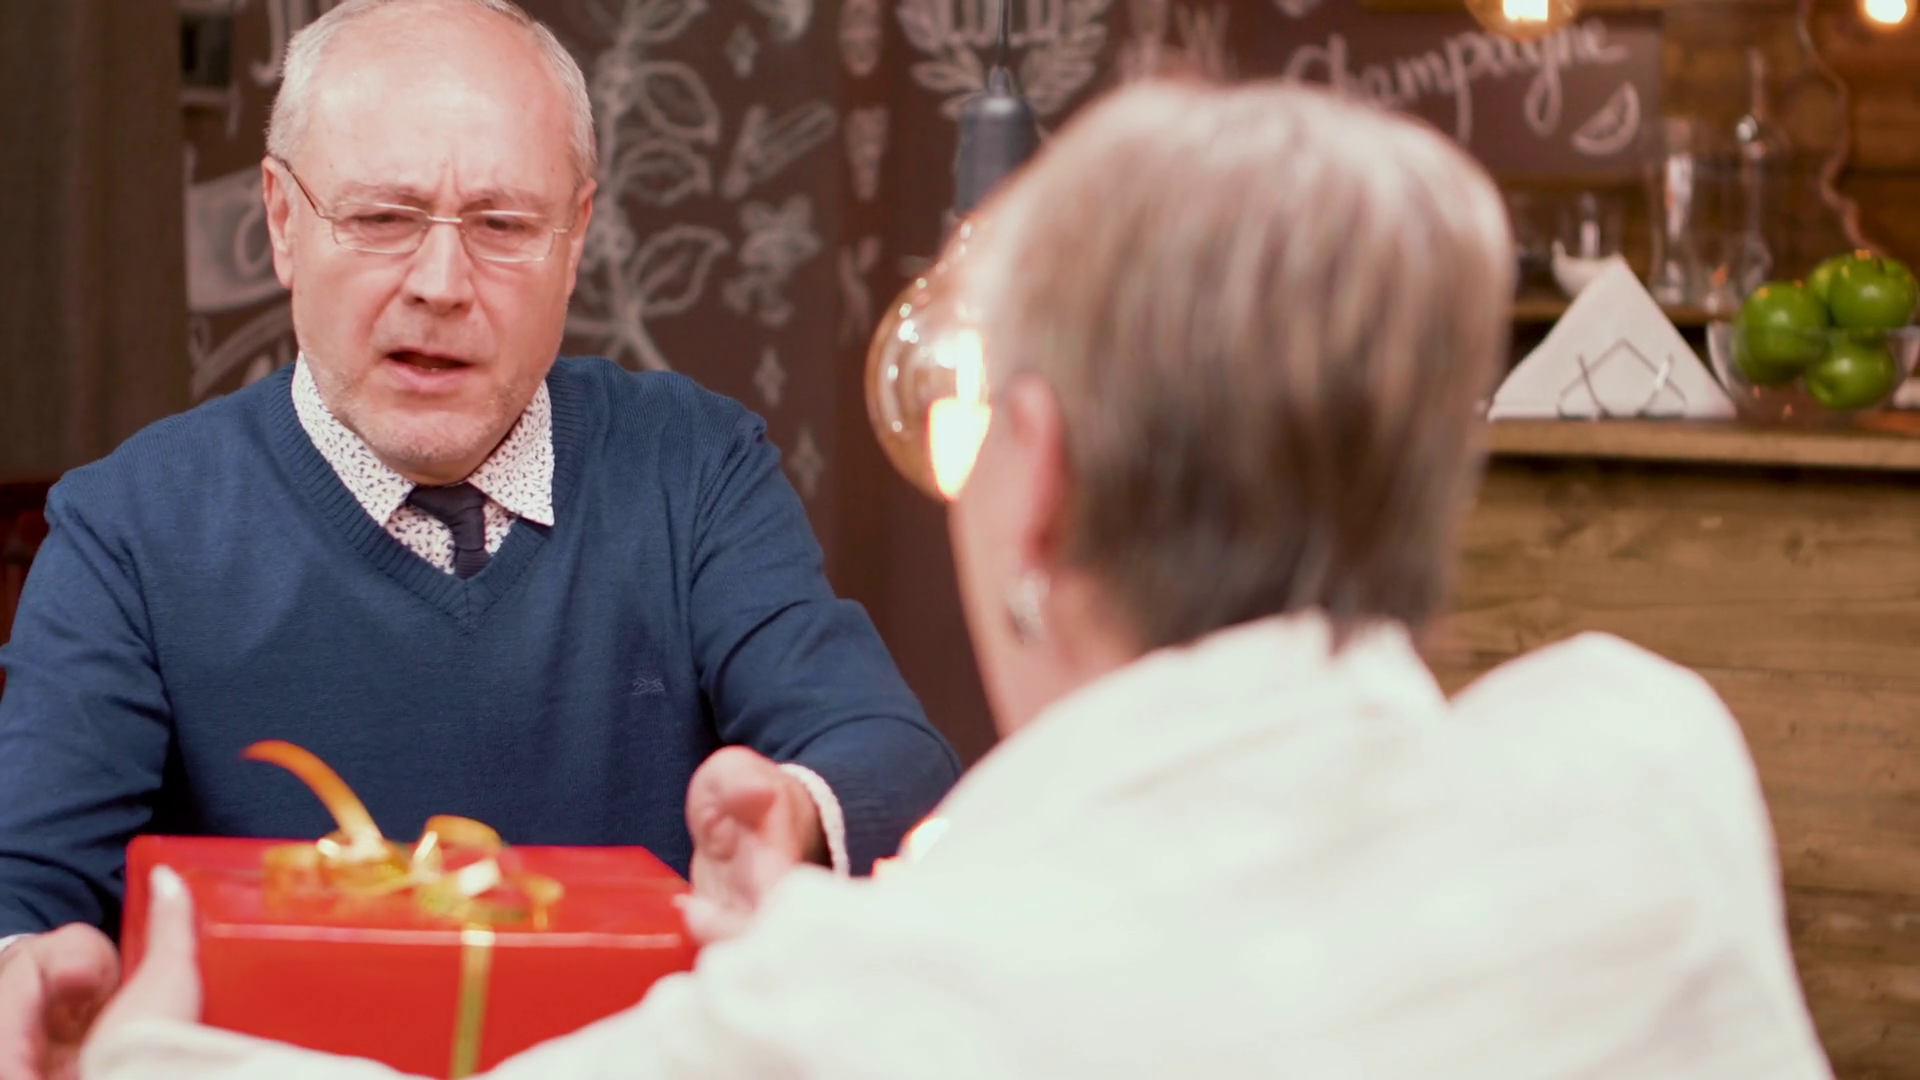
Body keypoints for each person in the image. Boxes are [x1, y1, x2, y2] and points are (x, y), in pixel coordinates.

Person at [78, 78, 1833, 1078]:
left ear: (1033, 468)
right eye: (387, 219)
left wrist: (149, 1051)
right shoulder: (1647, 758)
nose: (440, 281)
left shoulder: (864, 1012)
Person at [0, 0, 959, 1072]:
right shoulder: (127, 528)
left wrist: (793, 815)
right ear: (281, 219)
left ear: (575, 237)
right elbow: (23, 887)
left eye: (503, 226)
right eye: (382, 218)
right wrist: (29, 969)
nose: (441, 286)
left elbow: (889, 759)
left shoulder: (694, 466)